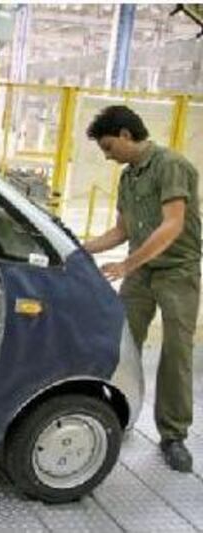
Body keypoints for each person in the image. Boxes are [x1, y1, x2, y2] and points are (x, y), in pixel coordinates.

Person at [84, 105, 200, 472]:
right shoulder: (129, 176)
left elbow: (172, 225)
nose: (106, 155)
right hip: (142, 271)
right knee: (122, 341)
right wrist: (74, 247)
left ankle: (173, 434)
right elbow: (121, 231)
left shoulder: (171, 165)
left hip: (177, 271)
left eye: (107, 146)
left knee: (176, 352)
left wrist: (126, 265)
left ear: (125, 135)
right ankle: (116, 411)